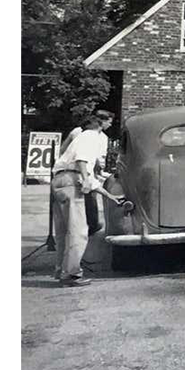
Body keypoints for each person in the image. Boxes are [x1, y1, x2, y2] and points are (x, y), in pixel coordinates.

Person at [50, 114, 110, 286]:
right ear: (98, 126)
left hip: (59, 180)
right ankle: (71, 274)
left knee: (63, 231)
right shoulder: (91, 137)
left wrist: (109, 196)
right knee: (78, 231)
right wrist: (84, 180)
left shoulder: (78, 137)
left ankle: (60, 269)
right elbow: (82, 160)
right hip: (73, 180)